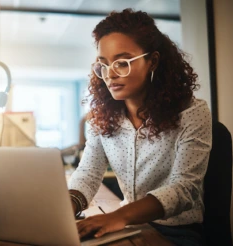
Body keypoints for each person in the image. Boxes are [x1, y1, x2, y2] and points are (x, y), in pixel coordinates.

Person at [68, 8, 212, 246]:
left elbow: (184, 188)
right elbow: (88, 174)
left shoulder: (192, 113)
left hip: (178, 233)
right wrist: (66, 206)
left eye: (122, 63)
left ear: (152, 61)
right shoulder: (101, 117)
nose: (109, 75)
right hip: (130, 227)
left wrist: (118, 217)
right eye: (103, 65)